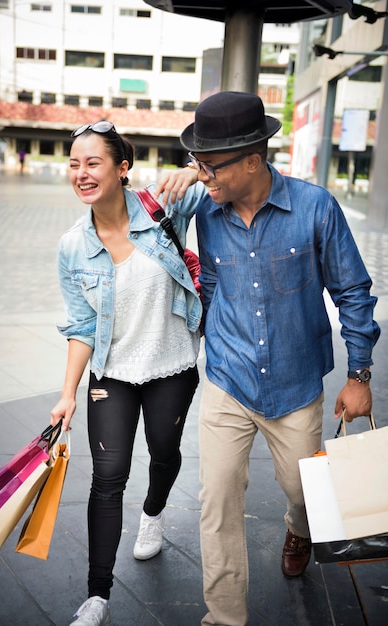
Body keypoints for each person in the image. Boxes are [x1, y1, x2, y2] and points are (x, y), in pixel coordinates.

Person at [174, 91, 380, 626]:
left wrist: (359, 374)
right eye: (198, 162)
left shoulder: (315, 207)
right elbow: (205, 273)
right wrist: (179, 182)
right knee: (216, 501)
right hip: (227, 376)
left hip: (294, 384)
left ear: (253, 158)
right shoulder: (207, 209)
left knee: (304, 492)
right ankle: (223, 618)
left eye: (210, 164)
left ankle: (299, 526)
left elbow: (353, 291)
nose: (203, 174)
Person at [49, 120, 203, 626]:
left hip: (171, 365)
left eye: (93, 162)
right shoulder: (73, 246)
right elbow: (82, 325)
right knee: (107, 479)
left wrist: (195, 172)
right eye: (74, 163)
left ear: (122, 168)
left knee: (164, 452)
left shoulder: (163, 206)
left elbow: (222, 184)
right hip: (111, 373)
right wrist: (67, 393)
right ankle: (97, 596)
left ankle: (154, 513)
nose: (82, 173)